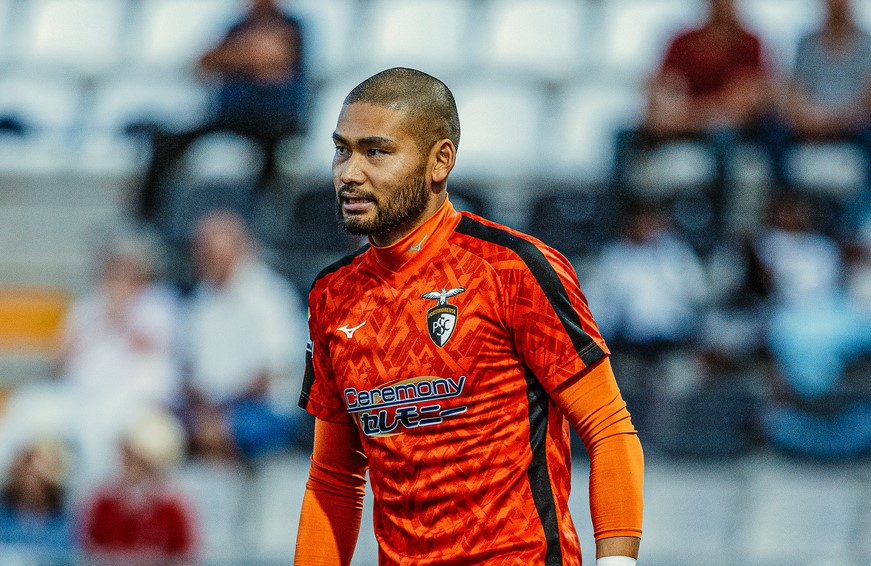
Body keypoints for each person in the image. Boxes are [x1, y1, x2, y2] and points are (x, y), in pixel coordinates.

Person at [294, 68, 643, 565]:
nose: (349, 172)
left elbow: (607, 427)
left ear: (440, 160)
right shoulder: (332, 296)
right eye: (341, 150)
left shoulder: (511, 269)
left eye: (375, 152)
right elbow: (334, 477)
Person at [137, 0, 309, 221]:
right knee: (166, 143)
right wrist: (247, 56)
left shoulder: (292, 26)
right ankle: (150, 218)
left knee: (271, 154)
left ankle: (263, 219)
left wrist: (233, 57)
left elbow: (272, 61)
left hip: (275, 120)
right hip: (230, 117)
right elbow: (203, 63)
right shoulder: (236, 27)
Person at [614, 0, 769, 229]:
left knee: (724, 139)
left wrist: (684, 114)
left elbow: (745, 105)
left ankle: (719, 230)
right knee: (623, 137)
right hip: (687, 128)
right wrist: (706, 111)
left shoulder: (750, 44)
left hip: (725, 134)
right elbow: (659, 93)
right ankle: (624, 227)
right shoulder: (682, 42)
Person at [180, 209, 308, 462]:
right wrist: (204, 405)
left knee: (216, 432)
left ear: (239, 251)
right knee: (154, 431)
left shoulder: (271, 296)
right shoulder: (200, 299)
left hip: (266, 408)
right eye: (203, 252)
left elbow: (269, 373)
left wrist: (220, 407)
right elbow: (190, 369)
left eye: (214, 254)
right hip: (209, 407)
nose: (206, 260)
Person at [763, 0, 871, 232]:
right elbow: (795, 90)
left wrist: (834, 119)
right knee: (773, 129)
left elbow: (865, 98)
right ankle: (785, 208)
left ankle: (858, 222)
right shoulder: (807, 43)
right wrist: (806, 117)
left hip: (852, 125)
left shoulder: (867, 44)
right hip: (810, 122)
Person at [79, 408, 197, 564]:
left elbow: (185, 554)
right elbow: (89, 549)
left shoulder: (172, 507)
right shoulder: (102, 503)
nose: (127, 461)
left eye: (134, 456)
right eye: (125, 453)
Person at [0, 438, 73, 560]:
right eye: (26, 470)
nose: (31, 480)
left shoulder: (63, 518)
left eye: (37, 474)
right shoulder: (3, 514)